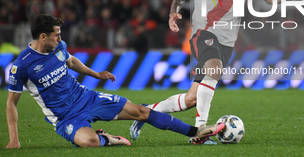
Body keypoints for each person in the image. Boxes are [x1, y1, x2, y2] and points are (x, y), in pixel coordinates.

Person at [130, 0, 304, 144]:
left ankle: (146, 112)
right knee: (213, 68)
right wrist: (173, 12)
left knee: (192, 98)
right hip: (202, 34)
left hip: (227, 42)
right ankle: (200, 132)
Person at [5, 14, 225, 149]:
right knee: (89, 142)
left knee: (140, 111)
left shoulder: (59, 47)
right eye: (56, 35)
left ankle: (195, 132)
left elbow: (71, 61)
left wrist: (96, 74)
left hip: (87, 97)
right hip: (64, 116)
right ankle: (107, 139)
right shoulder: (22, 65)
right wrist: (14, 139)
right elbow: (11, 103)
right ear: (42, 37)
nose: (61, 39)